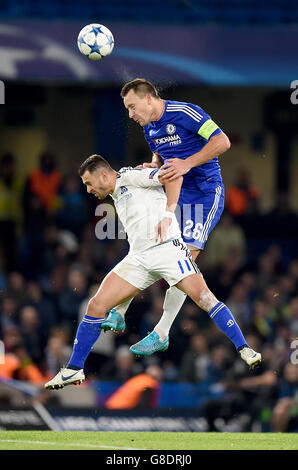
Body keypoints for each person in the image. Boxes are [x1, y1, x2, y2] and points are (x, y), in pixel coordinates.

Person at [44, 154, 261, 390]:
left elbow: (174, 177)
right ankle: (74, 369)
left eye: (88, 183)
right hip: (139, 258)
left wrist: (169, 213)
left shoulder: (131, 176)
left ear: (104, 175)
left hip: (168, 251)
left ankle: (244, 348)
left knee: (205, 298)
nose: (88, 190)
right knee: (95, 305)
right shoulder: (117, 190)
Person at [101, 78, 231, 355]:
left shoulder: (186, 113)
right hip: (176, 193)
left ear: (149, 98)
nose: (130, 115)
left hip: (205, 192)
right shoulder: (149, 128)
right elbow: (161, 150)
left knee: (183, 264)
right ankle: (119, 312)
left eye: (132, 107)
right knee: (149, 245)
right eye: (127, 109)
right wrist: (155, 163)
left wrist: (187, 163)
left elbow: (223, 141)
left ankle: (162, 331)